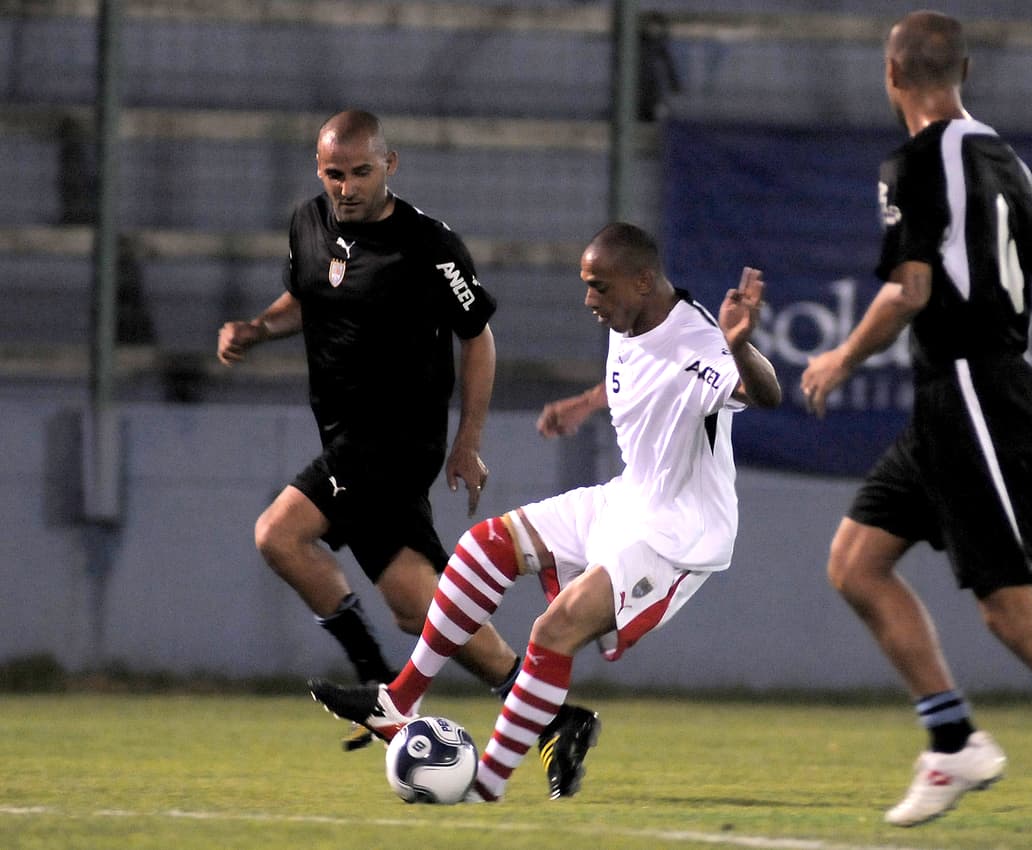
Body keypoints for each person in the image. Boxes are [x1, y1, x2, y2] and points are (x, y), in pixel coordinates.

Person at [799, 12, 1032, 840]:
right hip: (955, 396)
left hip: (975, 389)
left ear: (891, 76)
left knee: (1013, 608)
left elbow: (909, 290)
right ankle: (952, 740)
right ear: (965, 70)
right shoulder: (1004, 158)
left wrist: (840, 358)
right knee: (857, 563)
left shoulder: (913, 161)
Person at [309, 222, 782, 801]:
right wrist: (586, 402)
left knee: (553, 631)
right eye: (587, 286)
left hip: (676, 533)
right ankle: (399, 699)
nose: (589, 301)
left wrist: (737, 345)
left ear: (641, 281)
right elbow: (641, 377)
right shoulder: (635, 314)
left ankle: (483, 787)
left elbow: (764, 394)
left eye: (599, 288)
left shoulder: (701, 344)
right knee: (482, 547)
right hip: (627, 498)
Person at [216, 110, 599, 788]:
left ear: (390, 166)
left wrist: (468, 441)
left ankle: (380, 692)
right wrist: (255, 328)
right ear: (318, 169)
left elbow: (476, 335)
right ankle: (549, 716)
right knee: (416, 603)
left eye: (361, 171)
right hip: (343, 436)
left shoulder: (429, 245)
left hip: (393, 443)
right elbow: (307, 296)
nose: (347, 186)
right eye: (335, 173)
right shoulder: (309, 224)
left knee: (280, 533)